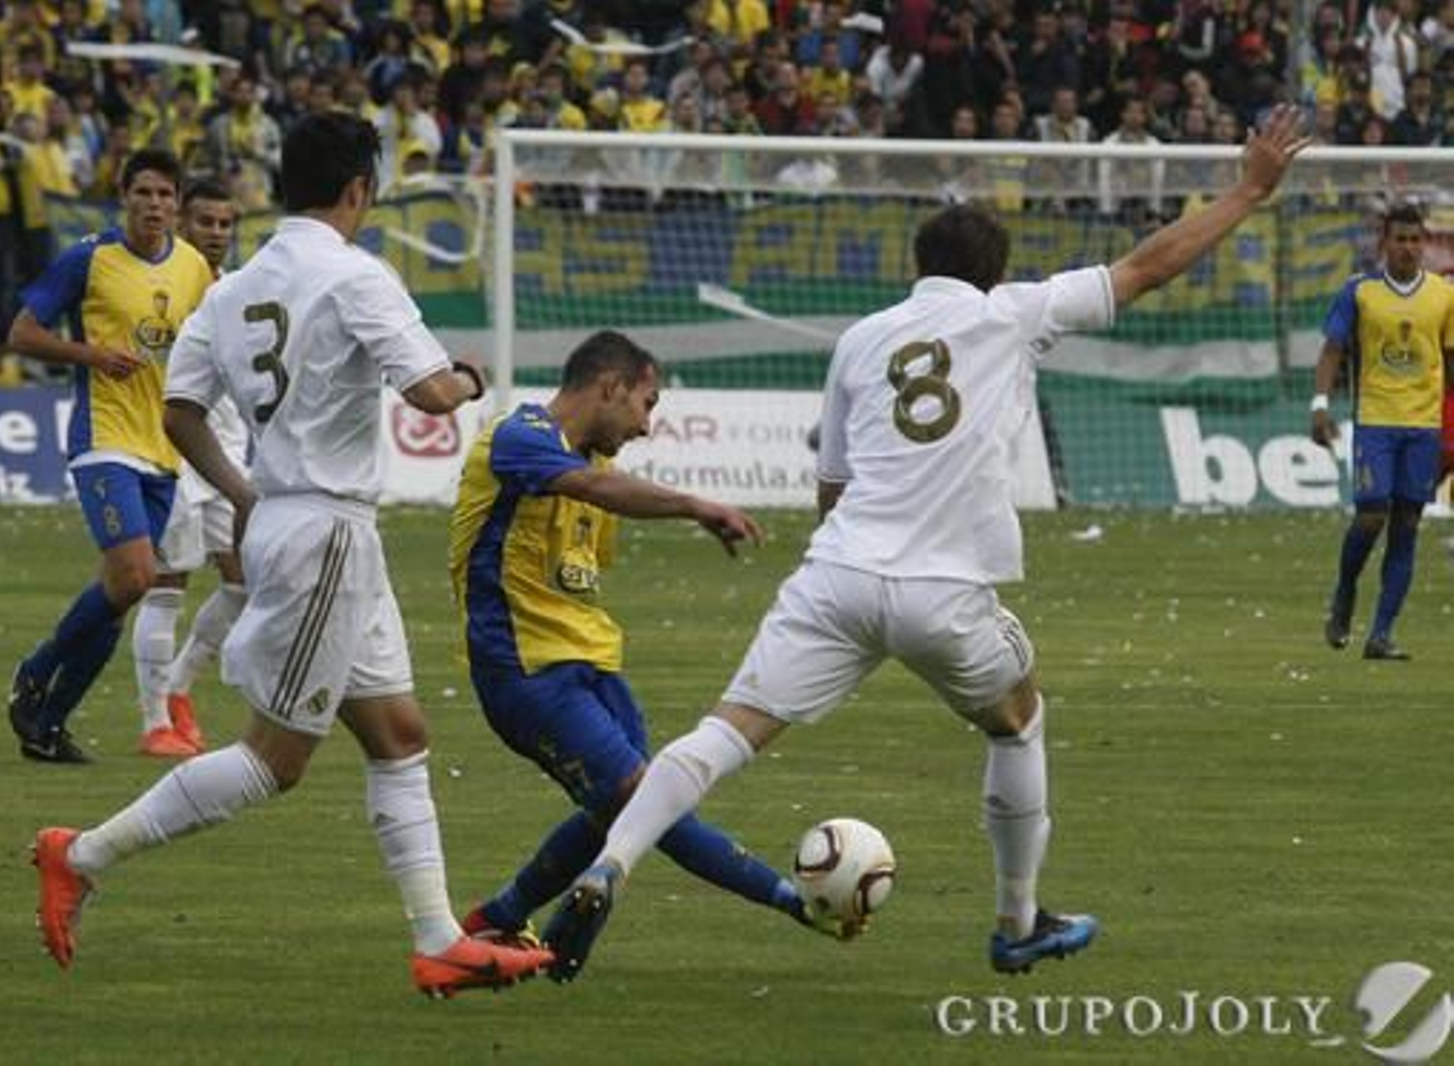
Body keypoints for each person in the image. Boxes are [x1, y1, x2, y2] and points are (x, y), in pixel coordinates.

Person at [542, 105, 1312, 983]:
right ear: (992, 276)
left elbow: (829, 488)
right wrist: (1250, 189)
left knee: (726, 733)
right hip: (942, 589)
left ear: (919, 270)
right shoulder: (1013, 315)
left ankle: (613, 863)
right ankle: (1017, 921)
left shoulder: (861, 340)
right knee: (1018, 722)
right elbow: (1146, 266)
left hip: (839, 572)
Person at [29, 112, 554, 997]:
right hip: (326, 535)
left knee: (399, 735)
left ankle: (437, 939)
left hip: (307, 523)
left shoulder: (227, 291)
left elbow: (181, 410)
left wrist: (245, 494)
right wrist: (470, 377)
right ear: (360, 189)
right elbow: (429, 393)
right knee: (275, 759)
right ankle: (78, 855)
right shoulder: (356, 276)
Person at [450, 330, 826, 962]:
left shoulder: (598, 472)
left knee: (628, 809)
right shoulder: (517, 439)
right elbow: (590, 491)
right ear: (610, 386)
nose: (647, 426)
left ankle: (500, 917)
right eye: (646, 403)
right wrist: (694, 505)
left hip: (593, 668)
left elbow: (580, 562)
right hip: (526, 674)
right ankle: (793, 901)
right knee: (647, 806)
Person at [5, 148, 215, 764]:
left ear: (178, 203)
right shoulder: (89, 258)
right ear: (124, 196)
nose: (155, 205)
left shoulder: (195, 268)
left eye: (165, 195)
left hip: (164, 448)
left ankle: (46, 724)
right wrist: (93, 355)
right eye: (143, 193)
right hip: (104, 441)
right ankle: (36, 669)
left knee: (120, 595)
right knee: (137, 576)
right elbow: (22, 333)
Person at [130, 180, 247, 758]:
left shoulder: (241, 290)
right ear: (182, 224)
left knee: (246, 581)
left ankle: (178, 686)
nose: (217, 234)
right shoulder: (162, 286)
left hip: (227, 454)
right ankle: (154, 722)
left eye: (226, 224)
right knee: (169, 582)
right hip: (170, 452)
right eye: (206, 222)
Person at [1312, 202, 1454, 660]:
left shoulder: (1444, 295)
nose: (1409, 248)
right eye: (1401, 240)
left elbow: (1450, 361)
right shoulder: (1360, 292)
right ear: (1384, 243)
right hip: (1375, 420)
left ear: (1424, 243)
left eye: (1416, 240)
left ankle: (1381, 634)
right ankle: (1345, 589)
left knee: (1407, 526)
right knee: (1372, 515)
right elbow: (1333, 350)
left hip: (1424, 426)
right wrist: (1320, 405)